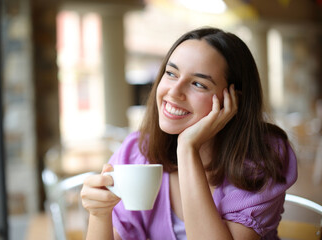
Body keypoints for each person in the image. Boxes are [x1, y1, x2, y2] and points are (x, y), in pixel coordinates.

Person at [80, 27, 298, 240]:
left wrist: (187, 148)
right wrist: (100, 214)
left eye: (198, 84)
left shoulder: (263, 157)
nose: (174, 92)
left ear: (232, 100)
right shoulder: (136, 151)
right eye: (171, 73)